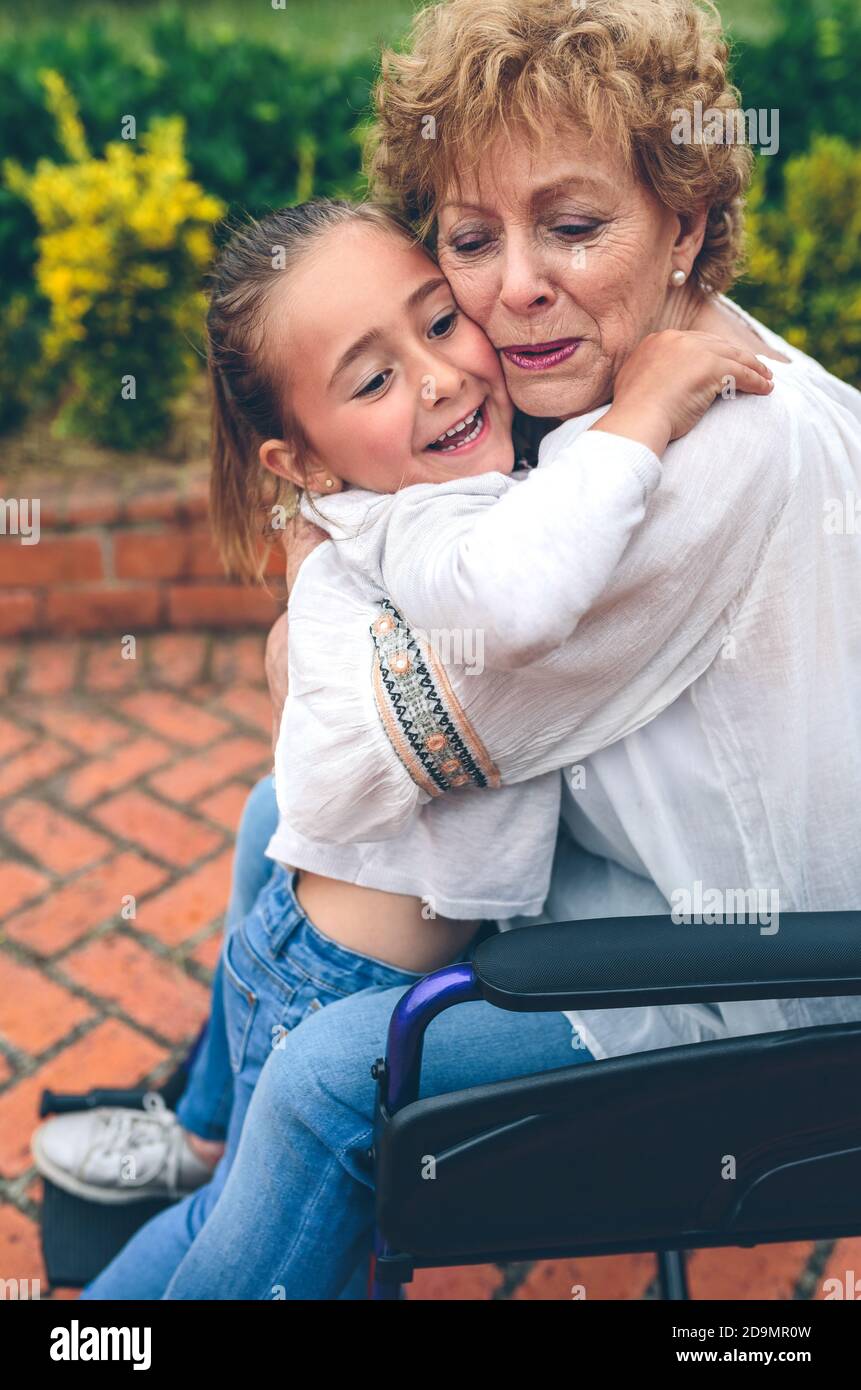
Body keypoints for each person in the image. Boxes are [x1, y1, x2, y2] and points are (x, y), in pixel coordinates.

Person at [43, 0, 861, 1298]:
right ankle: (211, 1146)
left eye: (573, 226)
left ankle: (250, 1173)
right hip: (630, 881)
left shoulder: (703, 458)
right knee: (274, 820)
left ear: (687, 223)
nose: (512, 285)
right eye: (470, 239)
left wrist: (312, 570)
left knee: (323, 1083)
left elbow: (372, 722)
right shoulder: (617, 380)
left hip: (746, 1001)